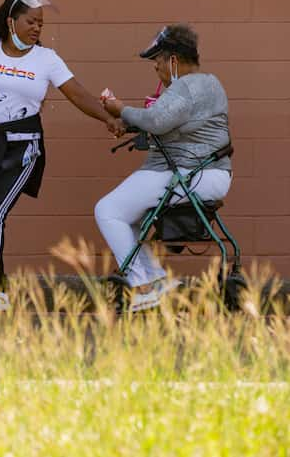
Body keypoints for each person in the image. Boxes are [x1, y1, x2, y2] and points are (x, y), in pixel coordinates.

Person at [0, 0, 124, 313]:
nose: (38, 28)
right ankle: (0, 288)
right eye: (32, 22)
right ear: (12, 22)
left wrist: (105, 119)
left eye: (41, 24)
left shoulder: (46, 60)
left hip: (21, 149)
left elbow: (77, 94)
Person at [97, 24, 232, 311]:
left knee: (107, 210)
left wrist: (119, 108)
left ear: (172, 60)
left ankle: (144, 285)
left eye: (157, 60)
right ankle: (155, 281)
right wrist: (131, 121)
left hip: (188, 173)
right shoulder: (211, 84)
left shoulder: (186, 85)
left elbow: (157, 121)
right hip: (211, 174)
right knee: (126, 216)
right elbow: (170, 120)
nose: (155, 67)